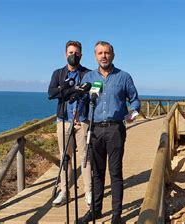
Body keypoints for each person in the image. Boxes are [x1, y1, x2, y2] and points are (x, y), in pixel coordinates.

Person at [80, 41, 140, 223]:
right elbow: (82, 102)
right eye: (100, 53)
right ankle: (95, 211)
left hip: (115, 129)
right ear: (95, 56)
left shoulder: (124, 77)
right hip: (95, 130)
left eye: (107, 53)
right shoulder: (88, 78)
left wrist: (133, 113)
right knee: (96, 173)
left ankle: (116, 215)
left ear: (112, 55)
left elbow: (135, 101)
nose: (103, 56)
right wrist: (79, 118)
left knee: (115, 173)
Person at [47, 40, 92, 207]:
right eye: (70, 52)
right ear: (66, 54)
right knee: (65, 158)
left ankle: (88, 192)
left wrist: (66, 91)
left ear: (81, 54)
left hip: (82, 120)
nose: (73, 55)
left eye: (76, 53)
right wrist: (70, 89)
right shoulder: (58, 73)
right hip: (63, 120)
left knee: (85, 156)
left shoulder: (88, 73)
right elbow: (51, 93)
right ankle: (64, 192)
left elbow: (92, 92)